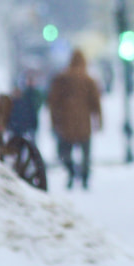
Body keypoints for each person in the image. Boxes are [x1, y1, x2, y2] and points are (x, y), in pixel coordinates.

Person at [47, 49, 102, 190]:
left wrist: (54, 121)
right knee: (86, 153)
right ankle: (84, 177)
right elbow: (96, 103)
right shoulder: (88, 80)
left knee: (64, 152)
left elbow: (53, 102)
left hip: (65, 124)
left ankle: (71, 172)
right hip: (84, 124)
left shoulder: (61, 79)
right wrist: (99, 120)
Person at [8, 71, 44, 141]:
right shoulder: (15, 102)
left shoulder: (30, 98)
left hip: (26, 130)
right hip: (18, 130)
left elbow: (32, 113)